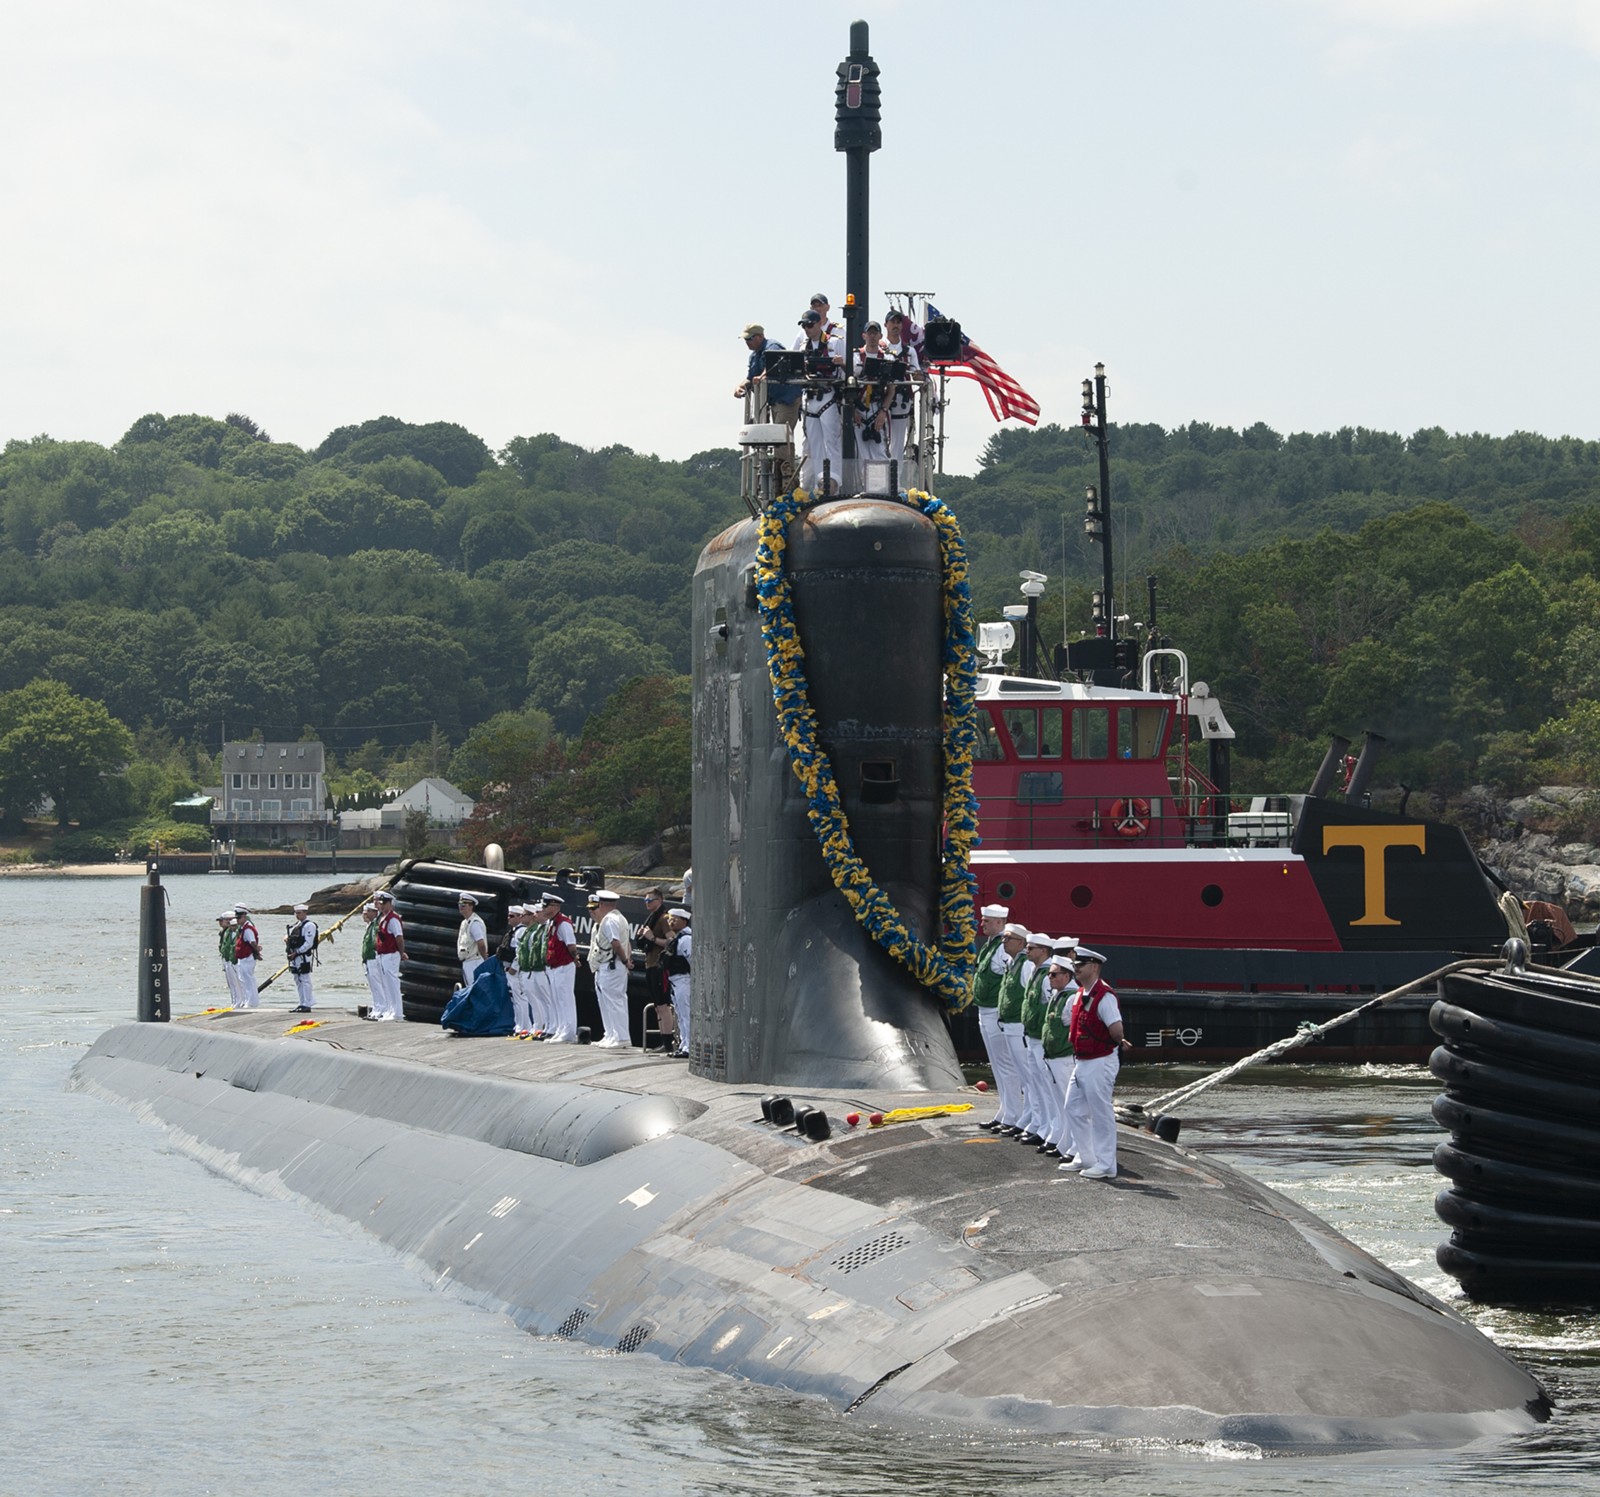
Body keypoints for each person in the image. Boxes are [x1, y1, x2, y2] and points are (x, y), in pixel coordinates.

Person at [1060, 948, 1132, 1180]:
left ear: (1094, 967)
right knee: (1072, 1108)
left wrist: (1116, 1042)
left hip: (1100, 1060)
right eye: (1075, 964)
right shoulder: (1080, 993)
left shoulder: (1105, 996)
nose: (1076, 967)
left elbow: (1116, 1030)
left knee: (1100, 1113)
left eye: (1081, 964)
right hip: (1082, 1060)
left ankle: (1106, 1164)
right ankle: (1086, 1156)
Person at [736, 322, 802, 493]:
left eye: (749, 339)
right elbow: (751, 377)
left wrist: (762, 377)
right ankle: (775, 476)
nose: (747, 343)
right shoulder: (754, 356)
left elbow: (774, 366)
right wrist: (740, 386)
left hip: (787, 399)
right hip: (773, 401)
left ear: (759, 337)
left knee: (781, 436)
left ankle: (786, 480)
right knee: (777, 437)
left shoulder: (773, 347)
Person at [971, 904, 1018, 1134]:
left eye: (987, 921)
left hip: (995, 1013)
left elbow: (1009, 979)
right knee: (998, 1066)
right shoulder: (990, 946)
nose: (982, 924)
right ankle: (1005, 1110)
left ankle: (1014, 1114)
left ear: (1000, 923)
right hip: (984, 1010)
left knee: (1006, 1065)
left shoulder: (1001, 948)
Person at [793, 309, 844, 493]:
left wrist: (840, 363)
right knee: (814, 444)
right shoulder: (803, 346)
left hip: (828, 395)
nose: (807, 329)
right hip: (810, 396)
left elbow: (849, 370)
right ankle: (819, 485)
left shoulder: (835, 342)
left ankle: (834, 483)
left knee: (832, 442)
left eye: (810, 325)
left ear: (818, 324)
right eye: (804, 326)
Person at [1013, 932, 1056, 1147]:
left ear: (1044, 951)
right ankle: (1042, 1124)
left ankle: (1052, 1129)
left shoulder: (1049, 975)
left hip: (1041, 1038)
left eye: (1031, 948)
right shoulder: (1035, 972)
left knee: (1046, 1086)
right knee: (1036, 1084)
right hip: (1032, 1036)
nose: (1027, 951)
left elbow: (1050, 1007)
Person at [1039, 944, 1080, 1161]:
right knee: (1059, 1103)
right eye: (1048, 974)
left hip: (1064, 1058)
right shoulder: (1059, 994)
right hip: (1052, 1057)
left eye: (1054, 974)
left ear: (1067, 975)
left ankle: (1075, 1146)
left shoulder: (1071, 997)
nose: (1050, 978)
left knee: (1070, 1103)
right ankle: (1065, 1142)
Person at [990, 922, 1031, 1134]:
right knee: (1019, 1072)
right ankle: (1022, 1117)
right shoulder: (1011, 963)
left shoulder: (1025, 965)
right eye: (1004, 938)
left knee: (1027, 1076)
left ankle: (1030, 1119)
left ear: (1021, 943)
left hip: (1018, 1027)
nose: (1004, 942)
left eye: (1008, 939)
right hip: (1008, 1025)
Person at [587, 888, 633, 1048]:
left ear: (603, 904)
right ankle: (611, 1034)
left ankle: (621, 1038)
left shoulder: (610, 920)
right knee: (607, 1002)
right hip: (606, 965)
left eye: (597, 905)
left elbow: (616, 942)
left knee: (614, 1001)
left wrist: (626, 960)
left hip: (612, 965)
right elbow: (627, 942)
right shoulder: (618, 918)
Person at [879, 309, 924, 469]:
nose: (896, 325)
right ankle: (877, 482)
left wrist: (923, 379)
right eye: (892, 322)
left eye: (898, 322)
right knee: (878, 442)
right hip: (880, 398)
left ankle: (894, 482)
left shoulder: (909, 351)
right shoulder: (879, 348)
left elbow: (916, 375)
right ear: (886, 325)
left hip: (901, 399)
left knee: (897, 443)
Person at [539, 893, 579, 1042]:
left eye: (546, 906)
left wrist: (575, 958)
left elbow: (571, 945)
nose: (543, 909)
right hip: (555, 966)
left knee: (565, 998)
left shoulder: (563, 923)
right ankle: (561, 1028)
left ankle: (569, 1031)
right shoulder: (552, 923)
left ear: (555, 906)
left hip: (564, 966)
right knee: (557, 999)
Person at [371, 890, 406, 1022]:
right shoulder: (383, 918)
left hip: (391, 954)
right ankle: (390, 1010)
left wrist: (401, 952)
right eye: (381, 903)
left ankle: (397, 1012)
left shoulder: (393, 919)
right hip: (382, 954)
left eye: (384, 903)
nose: (382, 906)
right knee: (386, 984)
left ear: (390, 903)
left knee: (392, 983)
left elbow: (399, 937)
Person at [663, 906, 692, 1057]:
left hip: (684, 980)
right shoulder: (676, 939)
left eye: (675, 919)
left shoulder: (686, 940)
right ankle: (683, 1043)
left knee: (686, 1015)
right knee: (680, 1015)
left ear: (684, 921)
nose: (671, 922)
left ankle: (689, 1046)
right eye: (669, 918)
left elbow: (692, 961)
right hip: (675, 981)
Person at [638, 888, 672, 1011]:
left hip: (659, 966)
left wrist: (652, 938)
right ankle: (663, 1029)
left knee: (663, 1004)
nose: (648, 902)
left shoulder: (663, 918)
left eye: (651, 900)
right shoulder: (651, 919)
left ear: (660, 900)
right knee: (657, 1006)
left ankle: (666, 1031)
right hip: (650, 964)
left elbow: (671, 942)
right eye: (646, 900)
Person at [286, 902, 319, 1012]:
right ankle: (302, 1002)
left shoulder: (309, 926)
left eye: (299, 913)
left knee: (305, 979)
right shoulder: (297, 925)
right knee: (298, 979)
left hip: (303, 955)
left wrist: (298, 952)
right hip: (294, 955)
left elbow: (308, 943)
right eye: (296, 913)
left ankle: (307, 1003)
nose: (297, 915)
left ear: (305, 913)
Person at [357, 902, 385, 1017]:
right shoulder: (370, 926)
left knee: (378, 985)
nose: (365, 914)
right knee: (373, 986)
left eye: (368, 911)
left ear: (374, 912)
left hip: (374, 958)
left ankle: (381, 1008)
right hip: (368, 959)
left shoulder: (375, 925)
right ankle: (377, 1007)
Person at [232, 903, 261, 1009]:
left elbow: (252, 942)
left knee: (249, 980)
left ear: (244, 916)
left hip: (247, 957)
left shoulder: (248, 928)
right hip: (243, 958)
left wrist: (257, 951)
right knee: (243, 980)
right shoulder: (243, 927)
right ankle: (248, 1000)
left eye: (239, 917)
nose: (237, 920)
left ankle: (252, 1002)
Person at [456, 892, 488, 988]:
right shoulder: (465, 922)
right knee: (470, 990)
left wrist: (485, 959)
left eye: (464, 905)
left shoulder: (475, 923)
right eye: (460, 905)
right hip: (467, 961)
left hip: (475, 961)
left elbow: (481, 943)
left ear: (471, 906)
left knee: (475, 990)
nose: (461, 907)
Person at [216, 911, 241, 1009]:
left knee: (237, 983)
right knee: (231, 983)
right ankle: (234, 1001)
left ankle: (239, 1002)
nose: (220, 923)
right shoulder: (225, 932)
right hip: (226, 959)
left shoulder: (234, 932)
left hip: (234, 960)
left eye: (222, 921)